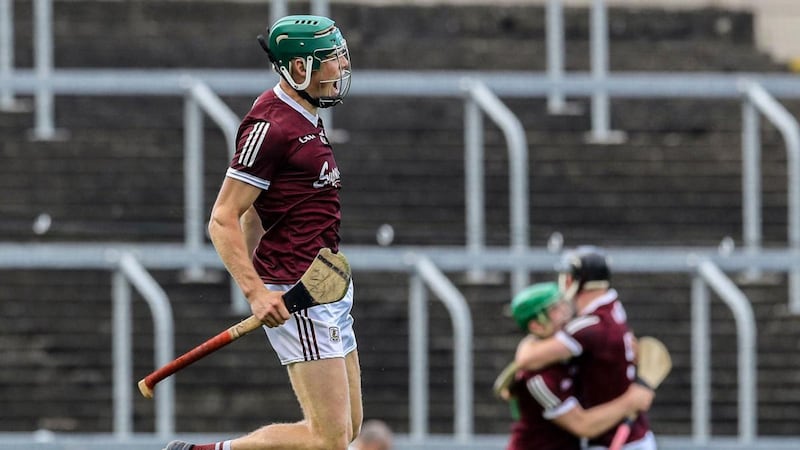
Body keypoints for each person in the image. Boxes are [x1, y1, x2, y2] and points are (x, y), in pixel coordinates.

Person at [163, 14, 358, 450]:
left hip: (323, 282)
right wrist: (255, 291)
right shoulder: (270, 126)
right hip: (296, 286)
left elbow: (257, 212)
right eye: (331, 59)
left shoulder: (306, 112)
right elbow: (224, 217)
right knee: (329, 441)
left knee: (349, 430)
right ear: (299, 68)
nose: (342, 67)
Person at [513, 246, 657, 449]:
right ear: (535, 324)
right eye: (553, 309)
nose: (563, 309)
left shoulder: (590, 326)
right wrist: (631, 401)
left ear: (573, 280)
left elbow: (527, 357)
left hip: (618, 442)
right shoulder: (612, 309)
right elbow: (526, 359)